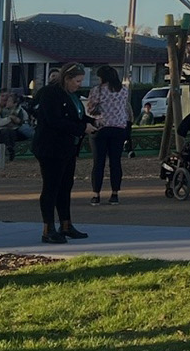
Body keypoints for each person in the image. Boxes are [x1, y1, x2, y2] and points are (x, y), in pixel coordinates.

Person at [32, 64, 91, 244]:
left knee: (65, 186)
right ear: (67, 78)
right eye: (77, 81)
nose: (79, 84)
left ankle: (66, 224)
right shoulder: (50, 93)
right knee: (51, 186)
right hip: (51, 148)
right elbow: (54, 120)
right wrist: (82, 128)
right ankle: (48, 228)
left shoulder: (71, 95)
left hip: (68, 148)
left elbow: (76, 117)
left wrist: (92, 121)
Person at [85, 65, 130, 206]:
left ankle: (96, 194)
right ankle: (115, 193)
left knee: (98, 162)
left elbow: (90, 108)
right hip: (119, 127)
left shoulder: (97, 90)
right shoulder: (124, 90)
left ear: (102, 77)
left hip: (101, 127)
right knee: (115, 162)